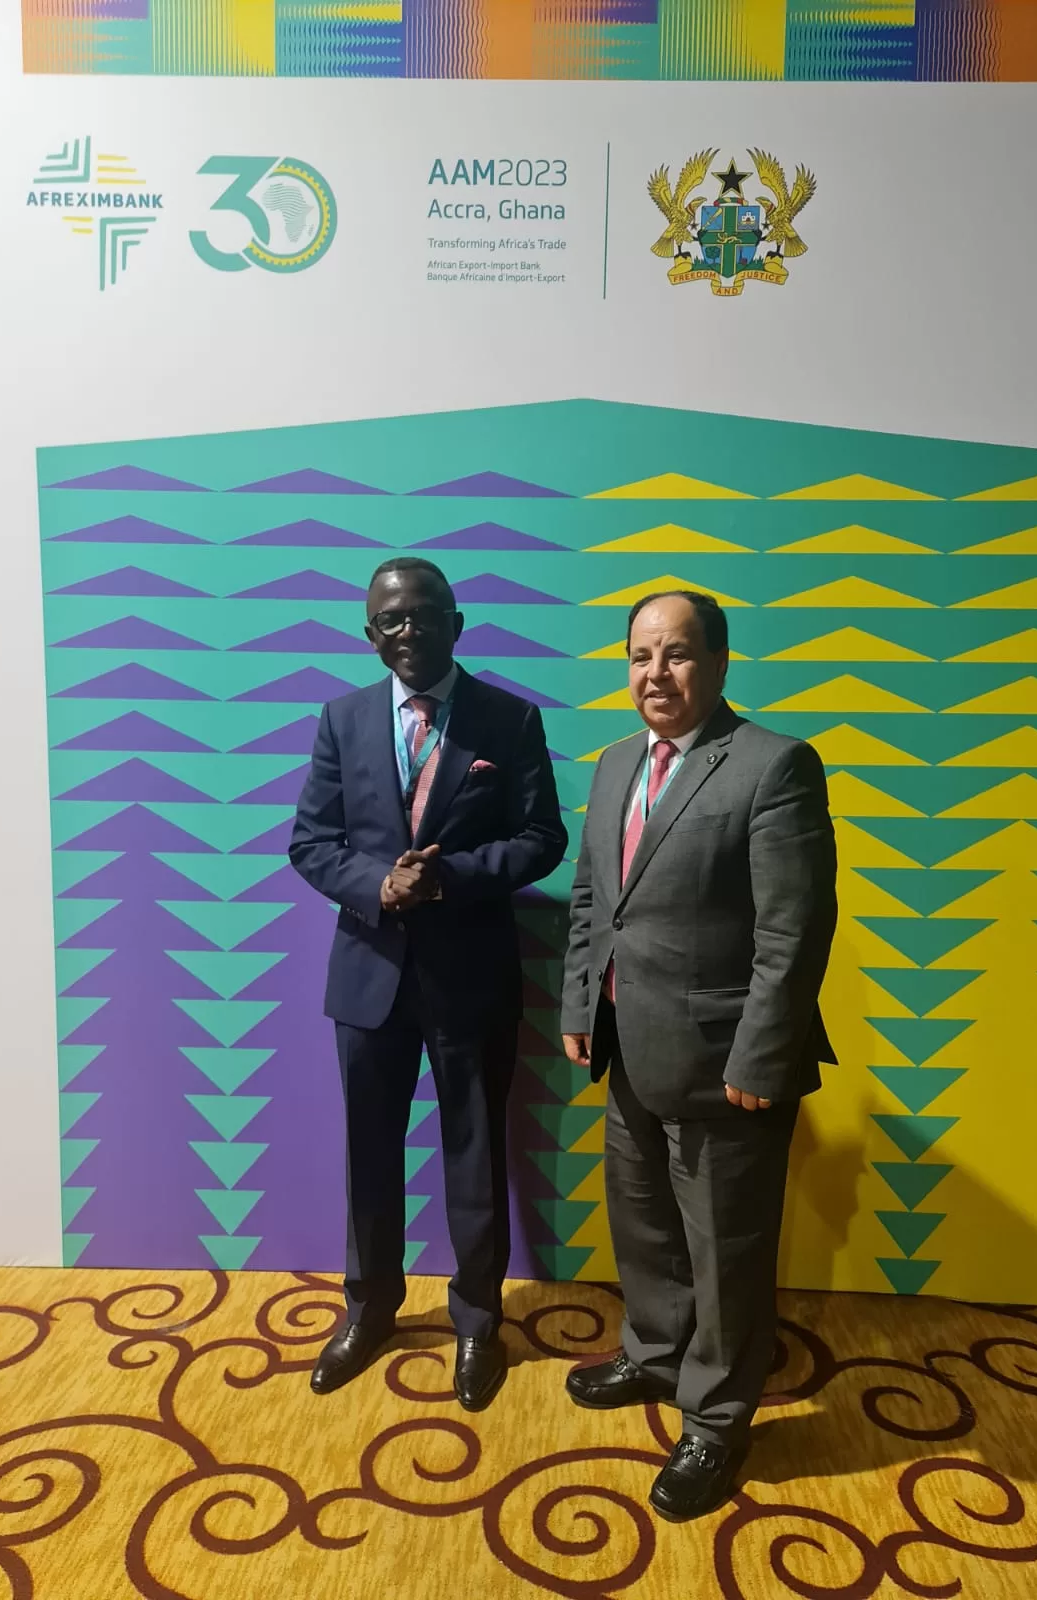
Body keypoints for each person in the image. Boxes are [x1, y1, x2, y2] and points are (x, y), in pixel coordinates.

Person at [560, 591, 837, 1521]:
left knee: (726, 1250)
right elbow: (593, 899)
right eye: (641, 656)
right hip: (629, 1049)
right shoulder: (614, 764)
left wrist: (762, 1057)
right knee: (642, 1221)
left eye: (677, 654)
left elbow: (793, 932)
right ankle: (654, 1352)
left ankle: (716, 1419)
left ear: (718, 662)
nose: (656, 674)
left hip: (726, 1065)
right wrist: (580, 1003)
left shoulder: (774, 765)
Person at [290, 557, 567, 1411]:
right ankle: (369, 1309)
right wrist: (380, 885)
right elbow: (311, 842)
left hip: (471, 978)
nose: (408, 631)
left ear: (457, 622)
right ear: (370, 636)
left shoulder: (509, 719)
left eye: (423, 614)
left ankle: (477, 1322)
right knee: (369, 1155)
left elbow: (542, 837)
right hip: (368, 977)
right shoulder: (341, 720)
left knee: (475, 1155)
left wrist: (448, 880)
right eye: (391, 620)